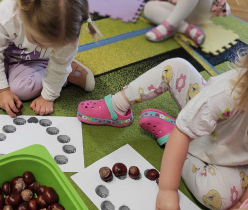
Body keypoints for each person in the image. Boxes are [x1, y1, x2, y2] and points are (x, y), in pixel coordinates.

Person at [77, 52, 248, 209]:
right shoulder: (227, 92)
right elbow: (184, 132)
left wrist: (241, 202)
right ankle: (118, 105)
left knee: (217, 198)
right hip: (207, 117)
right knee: (175, 68)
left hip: (232, 160)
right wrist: (167, 190)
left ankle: (171, 135)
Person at [0, 0, 101, 118]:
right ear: (22, 9)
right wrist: (1, 91)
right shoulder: (5, 16)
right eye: (38, 40)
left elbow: (59, 62)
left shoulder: (68, 28)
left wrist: (48, 97)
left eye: (51, 45)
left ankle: (67, 71)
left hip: (39, 62)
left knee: (21, 90)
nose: (45, 46)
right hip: (5, 56)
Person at [143, 0, 230, 45]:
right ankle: (186, 28)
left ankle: (170, 25)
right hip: (178, 10)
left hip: (201, 8)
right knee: (149, 7)